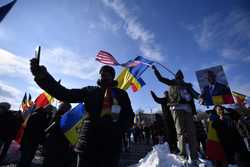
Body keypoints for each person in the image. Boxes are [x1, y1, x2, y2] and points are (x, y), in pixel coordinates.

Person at [30, 58, 134, 167]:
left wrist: (117, 130)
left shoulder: (121, 94)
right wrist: (43, 77)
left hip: (111, 148)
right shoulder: (90, 91)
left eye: (108, 74)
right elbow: (65, 94)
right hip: (87, 146)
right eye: (102, 74)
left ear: (113, 77)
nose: (104, 76)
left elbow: (129, 117)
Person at [152, 65, 200, 165]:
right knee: (181, 132)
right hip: (176, 107)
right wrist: (155, 70)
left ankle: (194, 156)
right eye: (178, 76)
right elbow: (160, 79)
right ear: (176, 77)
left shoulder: (187, 85)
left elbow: (195, 95)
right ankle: (183, 155)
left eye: (181, 76)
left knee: (192, 132)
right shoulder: (172, 82)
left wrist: (201, 98)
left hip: (188, 109)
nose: (180, 77)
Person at [43, 102, 74, 167]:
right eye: (69, 109)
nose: (69, 111)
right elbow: (48, 129)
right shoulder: (60, 118)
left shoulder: (57, 117)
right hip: (57, 148)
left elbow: (48, 130)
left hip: (54, 147)